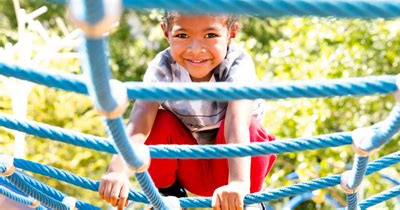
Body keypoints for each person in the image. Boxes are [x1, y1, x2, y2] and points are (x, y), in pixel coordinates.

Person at [98, 12, 276, 210]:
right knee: (157, 119)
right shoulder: (163, 67)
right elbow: (138, 123)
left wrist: (238, 184)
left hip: (237, 166)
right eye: (182, 36)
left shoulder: (237, 64)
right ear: (166, 32)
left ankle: (247, 200)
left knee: (249, 125)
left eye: (210, 36)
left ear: (231, 33)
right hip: (189, 167)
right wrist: (117, 171)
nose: (196, 49)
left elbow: (236, 124)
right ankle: (167, 194)